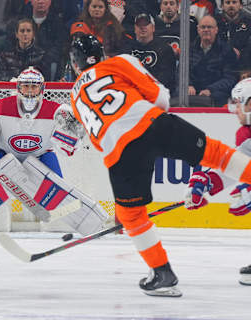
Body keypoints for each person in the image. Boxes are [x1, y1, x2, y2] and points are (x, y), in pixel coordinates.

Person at [68, 33, 251, 297]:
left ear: (75, 65)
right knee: (214, 152)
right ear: (102, 54)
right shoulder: (119, 62)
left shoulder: (75, 96)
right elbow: (161, 98)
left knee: (131, 214)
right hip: (152, 122)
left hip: (119, 153)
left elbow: (98, 140)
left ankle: (162, 272)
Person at [0, 67, 108, 238]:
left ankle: (86, 223)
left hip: (42, 156)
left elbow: (75, 129)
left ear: (42, 88)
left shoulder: (55, 110)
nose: (30, 91)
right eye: (26, 86)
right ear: (18, 87)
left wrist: (67, 142)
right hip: (6, 155)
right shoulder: (0, 107)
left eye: (34, 86)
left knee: (57, 194)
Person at [184, 77, 251, 286]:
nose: (236, 110)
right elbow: (238, 163)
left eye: (240, 104)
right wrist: (207, 182)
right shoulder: (247, 134)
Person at [189, 15, 238, 107]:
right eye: (203, 27)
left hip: (216, 94)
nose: (206, 30)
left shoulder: (227, 50)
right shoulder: (188, 49)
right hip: (193, 92)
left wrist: (210, 90)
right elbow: (180, 73)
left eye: (209, 27)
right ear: (198, 30)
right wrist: (188, 85)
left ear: (216, 30)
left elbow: (230, 79)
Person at [131, 13, 177, 94]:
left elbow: (166, 78)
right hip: (133, 93)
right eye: (139, 24)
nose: (142, 27)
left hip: (157, 94)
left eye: (146, 24)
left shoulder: (165, 49)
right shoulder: (128, 48)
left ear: (153, 28)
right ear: (135, 29)